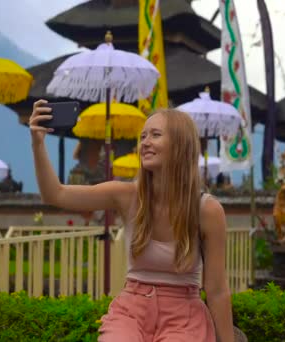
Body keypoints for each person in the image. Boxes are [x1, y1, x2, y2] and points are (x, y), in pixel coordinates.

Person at [27, 99, 234, 342]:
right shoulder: (126, 196)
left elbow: (217, 290)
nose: (145, 142)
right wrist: (37, 143)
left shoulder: (207, 210)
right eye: (143, 136)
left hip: (184, 316)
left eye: (155, 135)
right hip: (130, 312)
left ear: (180, 145)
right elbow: (56, 194)